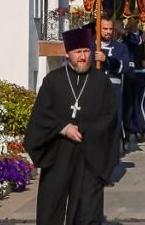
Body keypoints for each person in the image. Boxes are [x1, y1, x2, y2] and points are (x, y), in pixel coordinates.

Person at [25, 28, 118, 225]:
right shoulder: (53, 80)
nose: (83, 57)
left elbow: (110, 117)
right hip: (58, 151)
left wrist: (85, 130)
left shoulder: (101, 81)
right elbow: (41, 114)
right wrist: (64, 128)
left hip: (90, 152)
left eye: (86, 51)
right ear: (68, 54)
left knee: (88, 210)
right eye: (78, 52)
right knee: (51, 204)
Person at [98, 17, 131, 143]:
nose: (108, 32)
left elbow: (125, 67)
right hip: (95, 89)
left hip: (114, 89)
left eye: (110, 29)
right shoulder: (91, 46)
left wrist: (106, 60)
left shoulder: (120, 47)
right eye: (105, 29)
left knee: (113, 119)